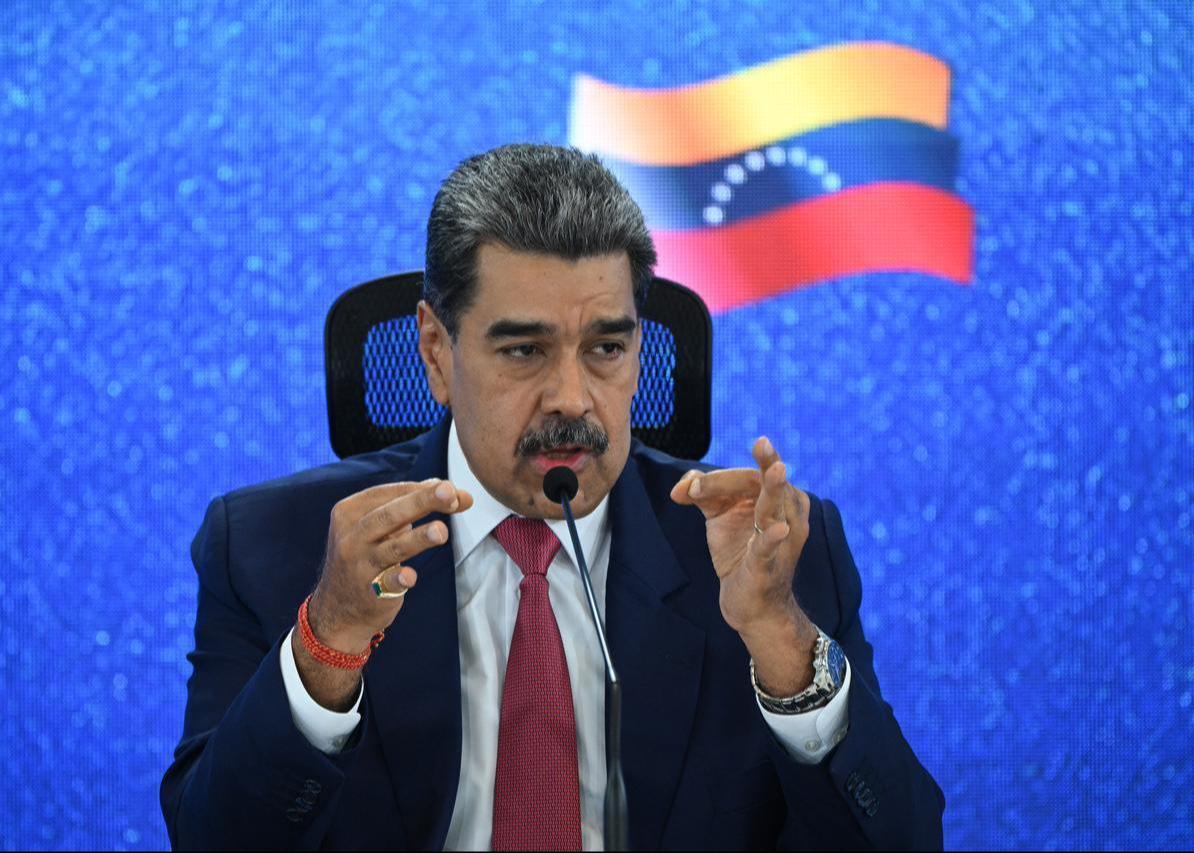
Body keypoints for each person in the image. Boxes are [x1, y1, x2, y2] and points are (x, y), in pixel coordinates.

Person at [160, 143, 943, 850]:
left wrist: (779, 642)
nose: (572, 396)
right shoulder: (270, 547)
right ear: (436, 351)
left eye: (606, 347)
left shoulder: (765, 554)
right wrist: (327, 643)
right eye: (524, 349)